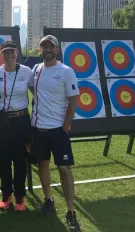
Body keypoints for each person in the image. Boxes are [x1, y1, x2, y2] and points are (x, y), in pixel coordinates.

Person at [29, 35, 81, 231]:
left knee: (64, 168)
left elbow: (74, 98)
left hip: (58, 129)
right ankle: (48, 199)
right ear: (40, 50)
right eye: (44, 47)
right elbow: (37, 92)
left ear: (57, 50)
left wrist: (66, 123)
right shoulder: (36, 70)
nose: (47, 50)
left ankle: (70, 211)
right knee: (43, 164)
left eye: (51, 47)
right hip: (39, 128)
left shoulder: (66, 71)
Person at [0, 40, 33, 212]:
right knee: (4, 160)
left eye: (12, 51)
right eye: (6, 52)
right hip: (2, 122)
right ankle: (6, 196)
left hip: (21, 120)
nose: (9, 55)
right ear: (1, 54)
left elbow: (38, 94)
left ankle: (20, 196)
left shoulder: (27, 72)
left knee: (20, 160)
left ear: (16, 53)